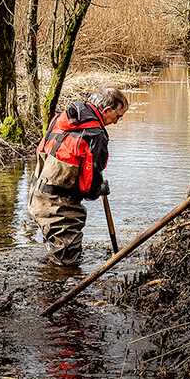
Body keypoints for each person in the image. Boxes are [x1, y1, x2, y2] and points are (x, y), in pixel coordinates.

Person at [28, 84, 128, 265]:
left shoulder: (63, 118)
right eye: (117, 117)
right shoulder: (95, 135)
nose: (115, 121)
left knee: (55, 253)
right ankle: (63, 290)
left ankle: (49, 282)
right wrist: (100, 188)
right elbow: (88, 187)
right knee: (67, 263)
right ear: (106, 110)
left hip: (37, 197)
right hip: (60, 206)